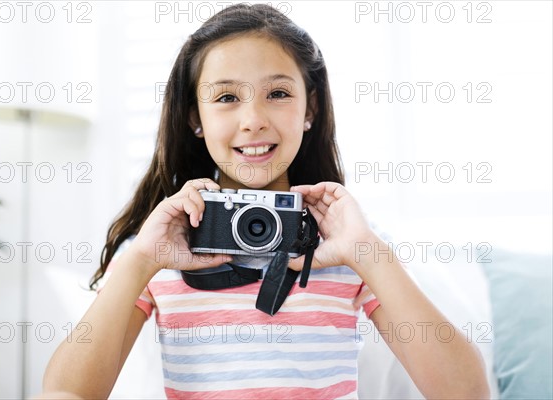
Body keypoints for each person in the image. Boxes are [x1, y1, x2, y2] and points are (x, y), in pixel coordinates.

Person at [41, 4, 489, 399]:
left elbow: (466, 393)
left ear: (309, 109)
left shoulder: (346, 243)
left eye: (277, 93)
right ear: (195, 117)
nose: (253, 120)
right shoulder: (160, 248)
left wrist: (367, 253)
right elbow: (65, 392)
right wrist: (140, 261)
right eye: (227, 97)